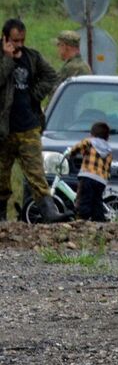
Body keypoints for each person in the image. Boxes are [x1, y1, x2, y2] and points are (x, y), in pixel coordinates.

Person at [0, 17, 58, 222]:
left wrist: (34, 95)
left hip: (28, 125)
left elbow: (52, 75)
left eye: (22, 40)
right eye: (15, 41)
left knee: (36, 173)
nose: (19, 45)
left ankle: (49, 212)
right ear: (5, 38)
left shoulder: (32, 57)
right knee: (2, 176)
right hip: (4, 130)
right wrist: (7, 59)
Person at [68, 121, 113, 222]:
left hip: (88, 176)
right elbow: (108, 166)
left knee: (85, 198)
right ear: (107, 137)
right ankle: (99, 220)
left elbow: (77, 147)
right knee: (97, 201)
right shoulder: (109, 150)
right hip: (101, 180)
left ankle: (82, 218)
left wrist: (70, 153)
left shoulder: (89, 141)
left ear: (92, 134)